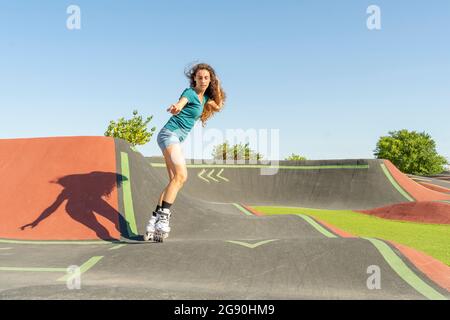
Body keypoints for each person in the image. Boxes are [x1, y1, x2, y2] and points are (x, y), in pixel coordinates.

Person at [144, 63, 226, 241]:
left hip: (172, 138)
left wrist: (217, 86)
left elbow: (218, 106)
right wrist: (177, 107)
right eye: (200, 77)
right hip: (169, 134)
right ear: (194, 79)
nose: (203, 80)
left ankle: (153, 220)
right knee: (182, 175)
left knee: (174, 181)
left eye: (206, 78)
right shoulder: (189, 93)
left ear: (210, 80)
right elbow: (181, 103)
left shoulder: (205, 100)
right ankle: (164, 218)